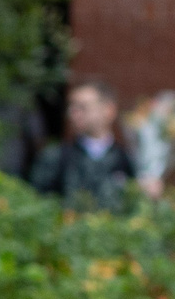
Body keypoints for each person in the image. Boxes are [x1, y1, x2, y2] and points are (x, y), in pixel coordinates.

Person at [30, 79, 137, 207]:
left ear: (109, 110)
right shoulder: (56, 157)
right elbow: (36, 203)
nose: (72, 113)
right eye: (71, 106)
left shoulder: (127, 159)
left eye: (82, 107)